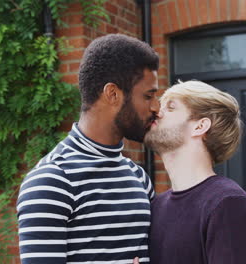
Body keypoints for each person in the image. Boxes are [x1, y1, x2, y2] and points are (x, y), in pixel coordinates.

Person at [17, 34, 159, 264]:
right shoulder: (51, 181)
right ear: (112, 94)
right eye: (148, 96)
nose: (156, 107)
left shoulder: (139, 177)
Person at [143, 80, 246, 264]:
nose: (157, 112)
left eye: (171, 107)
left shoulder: (228, 205)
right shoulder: (156, 206)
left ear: (200, 126)